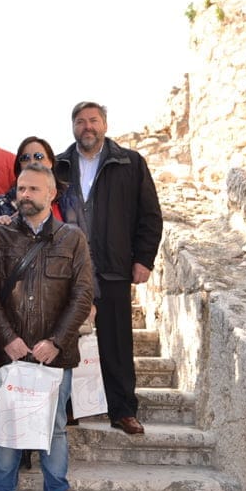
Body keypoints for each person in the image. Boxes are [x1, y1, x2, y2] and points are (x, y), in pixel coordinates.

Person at [0, 163, 94, 491]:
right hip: (9, 354)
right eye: (21, 189)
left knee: (56, 428)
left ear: (51, 194)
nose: (25, 195)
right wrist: (8, 338)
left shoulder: (72, 238)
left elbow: (82, 294)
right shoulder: (0, 236)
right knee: (7, 425)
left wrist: (56, 341)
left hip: (55, 356)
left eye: (33, 189)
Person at [56, 101, 163, 435]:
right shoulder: (59, 166)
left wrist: (143, 259)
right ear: (73, 126)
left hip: (114, 268)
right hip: (69, 271)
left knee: (116, 344)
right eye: (80, 121)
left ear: (104, 124)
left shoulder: (130, 162)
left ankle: (123, 410)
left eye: (93, 120)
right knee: (67, 340)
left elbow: (150, 214)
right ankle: (69, 408)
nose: (87, 127)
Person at [0, 136, 66, 223]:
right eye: (25, 158)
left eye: (39, 157)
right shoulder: (3, 204)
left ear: (50, 162)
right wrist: (2, 224)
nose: (32, 162)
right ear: (19, 165)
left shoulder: (68, 196)